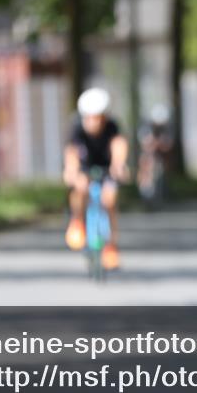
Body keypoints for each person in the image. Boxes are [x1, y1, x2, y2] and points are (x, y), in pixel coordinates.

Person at [63, 88, 130, 269]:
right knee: (81, 187)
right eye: (90, 117)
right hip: (85, 167)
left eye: (98, 117)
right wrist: (72, 172)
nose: (94, 122)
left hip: (107, 168)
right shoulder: (76, 127)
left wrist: (120, 165)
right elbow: (72, 153)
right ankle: (77, 221)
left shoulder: (112, 127)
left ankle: (111, 245)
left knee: (109, 199)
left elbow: (119, 146)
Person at [137, 104, 174, 207]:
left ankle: (163, 193)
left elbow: (168, 145)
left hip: (161, 155)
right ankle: (144, 190)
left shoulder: (167, 128)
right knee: (145, 163)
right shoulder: (146, 127)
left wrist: (159, 144)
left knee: (164, 166)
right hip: (148, 154)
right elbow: (145, 144)